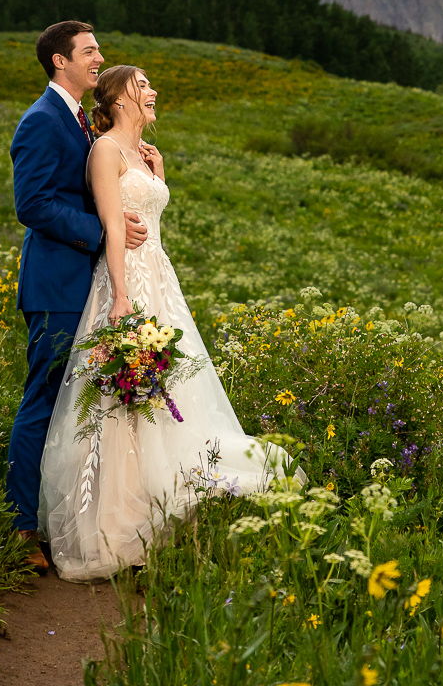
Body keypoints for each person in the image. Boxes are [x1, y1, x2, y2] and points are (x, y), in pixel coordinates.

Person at [38, 64, 296, 582]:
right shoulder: (106, 151)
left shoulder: (142, 155)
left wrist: (159, 180)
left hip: (162, 280)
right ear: (116, 98)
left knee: (173, 391)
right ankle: (120, 521)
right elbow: (114, 228)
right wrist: (121, 299)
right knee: (123, 399)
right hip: (128, 283)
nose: (152, 90)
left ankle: (164, 507)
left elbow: (150, 219)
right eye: (143, 85)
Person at [7, 22, 148, 575]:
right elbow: (33, 204)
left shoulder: (78, 121)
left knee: (79, 406)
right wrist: (103, 230)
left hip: (85, 285)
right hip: (56, 285)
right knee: (42, 399)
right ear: (59, 61)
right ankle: (20, 527)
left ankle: (74, 518)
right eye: (90, 52)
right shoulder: (41, 121)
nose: (100, 59)